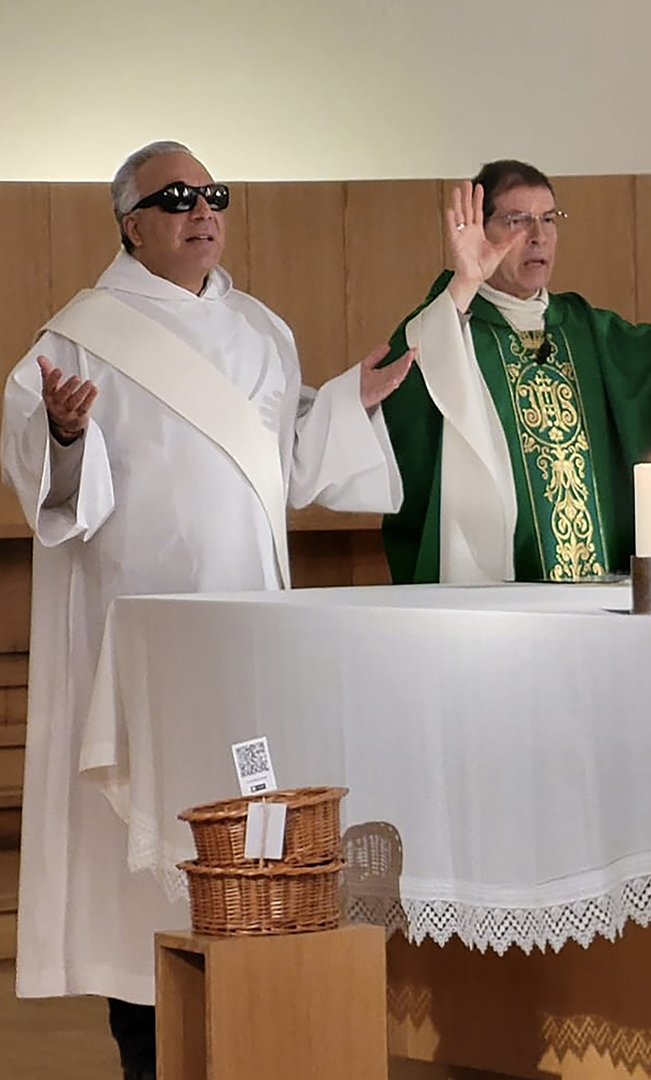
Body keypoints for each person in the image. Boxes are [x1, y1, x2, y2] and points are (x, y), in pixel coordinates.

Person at [0, 140, 414, 1080]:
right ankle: (148, 1050)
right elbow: (54, 492)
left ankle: (258, 1041)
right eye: (177, 197)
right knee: (143, 860)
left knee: (253, 845)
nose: (202, 211)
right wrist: (64, 432)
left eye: (213, 195)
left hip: (246, 640)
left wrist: (347, 404)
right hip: (144, 648)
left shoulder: (262, 329)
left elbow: (291, 469)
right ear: (130, 225)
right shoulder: (77, 339)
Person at [379, 159, 651, 584]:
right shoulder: (448, 330)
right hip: (500, 596)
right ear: (479, 231)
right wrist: (465, 283)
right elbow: (402, 398)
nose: (538, 236)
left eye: (549, 219)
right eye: (517, 220)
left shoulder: (589, 332)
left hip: (600, 590)